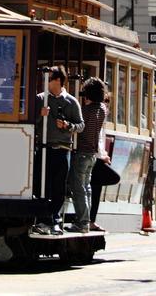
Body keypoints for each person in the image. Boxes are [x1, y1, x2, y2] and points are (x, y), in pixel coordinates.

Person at [34, 65, 84, 235]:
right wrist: (40, 115)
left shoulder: (70, 101)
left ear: (57, 81)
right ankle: (42, 220)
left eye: (50, 79)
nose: (46, 82)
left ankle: (55, 221)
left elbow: (80, 125)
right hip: (44, 148)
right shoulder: (40, 99)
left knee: (58, 187)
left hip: (63, 150)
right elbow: (30, 123)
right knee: (42, 185)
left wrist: (67, 125)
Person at [66, 77, 107, 233]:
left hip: (82, 152)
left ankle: (81, 222)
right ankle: (87, 220)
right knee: (87, 187)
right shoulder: (102, 109)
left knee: (78, 187)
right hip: (92, 154)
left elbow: (80, 127)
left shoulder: (87, 110)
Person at [89, 85, 121, 230]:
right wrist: (102, 156)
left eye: (107, 103)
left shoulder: (99, 116)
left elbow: (99, 140)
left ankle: (90, 219)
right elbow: (94, 138)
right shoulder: (95, 115)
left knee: (96, 186)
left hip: (97, 157)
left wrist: (104, 155)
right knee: (111, 178)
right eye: (105, 102)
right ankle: (88, 219)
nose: (106, 106)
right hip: (92, 157)